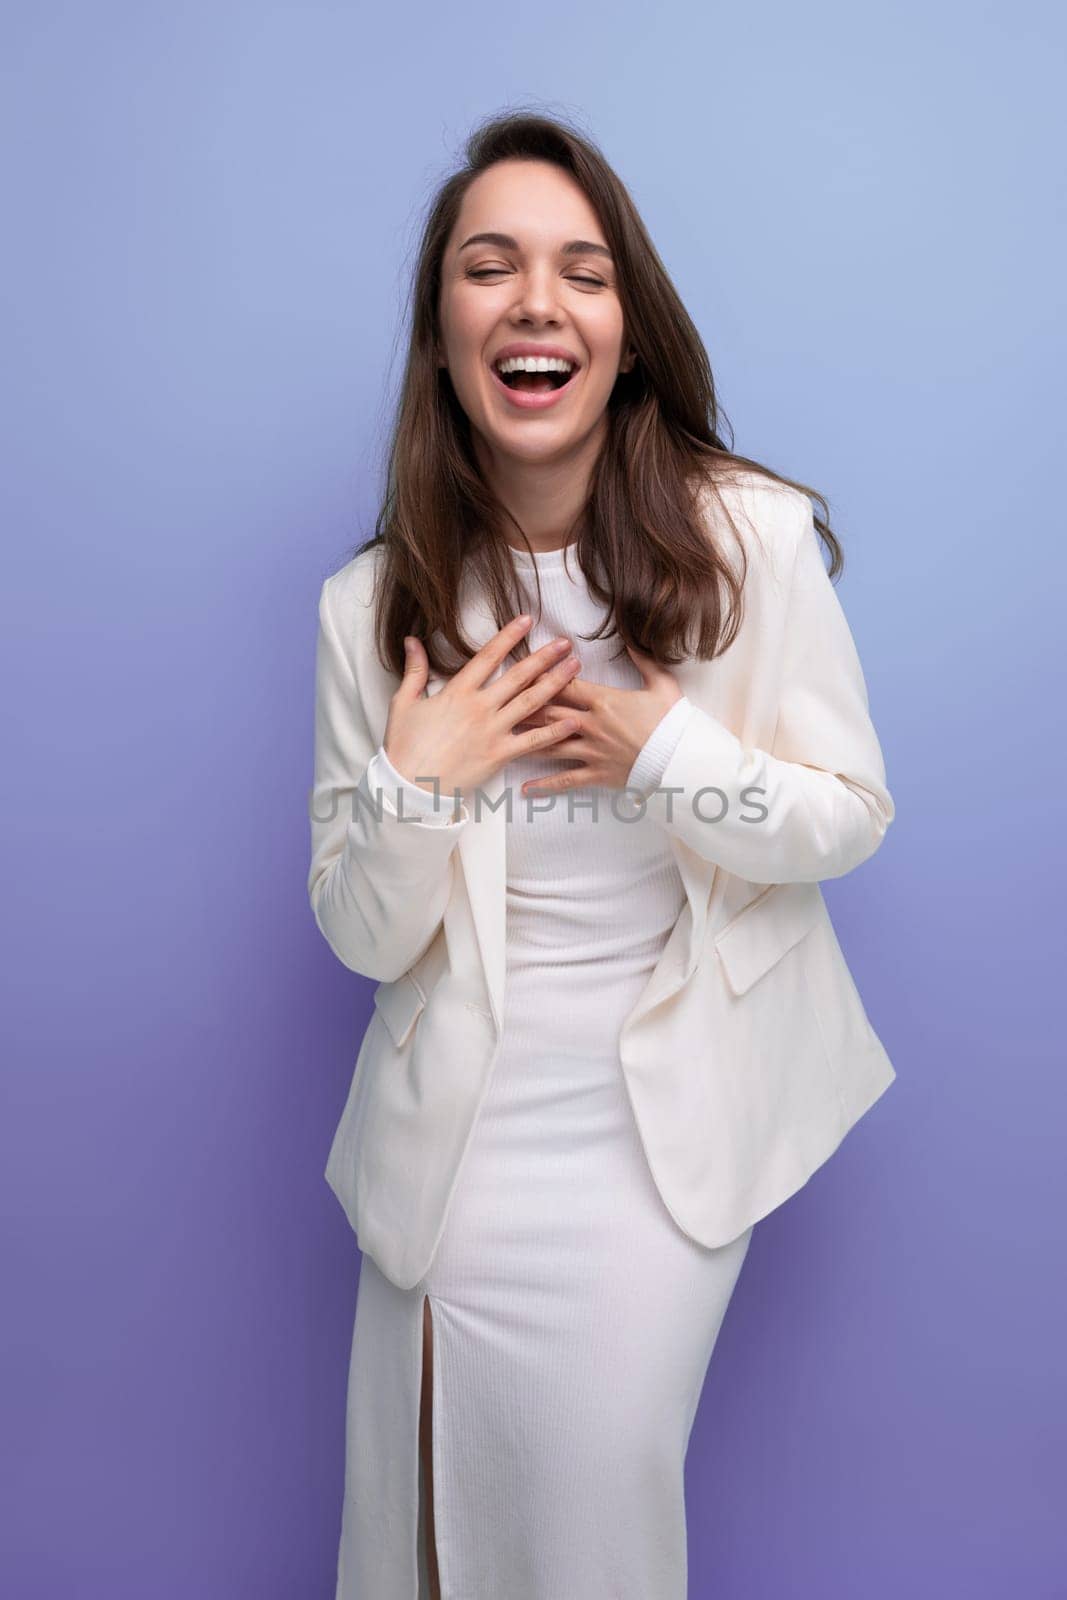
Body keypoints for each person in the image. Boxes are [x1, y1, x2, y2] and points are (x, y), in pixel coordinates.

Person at [308, 110, 896, 1600]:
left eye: (581, 271)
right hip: (455, 1142)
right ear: (442, 334)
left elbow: (847, 815)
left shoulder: (746, 542)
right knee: (425, 1542)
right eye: (487, 267)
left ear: (626, 333)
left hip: (659, 1137)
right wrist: (420, 787)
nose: (533, 302)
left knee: (592, 1514)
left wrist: (666, 752)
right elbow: (365, 939)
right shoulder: (370, 607)